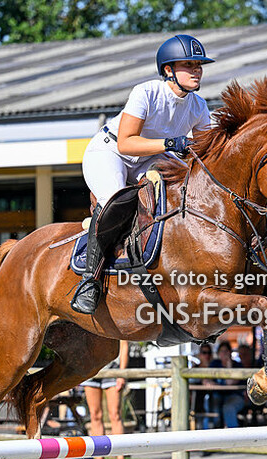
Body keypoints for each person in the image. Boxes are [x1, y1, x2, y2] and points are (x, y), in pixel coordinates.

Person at [71, 34, 215, 314]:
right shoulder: (146, 92)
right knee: (117, 200)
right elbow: (126, 142)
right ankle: (89, 282)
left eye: (199, 65)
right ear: (168, 70)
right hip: (110, 153)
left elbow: (204, 153)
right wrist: (171, 144)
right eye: (189, 64)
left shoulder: (199, 105)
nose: (197, 70)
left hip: (149, 159)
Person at [82, 340, 130, 459]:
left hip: (113, 370)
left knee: (115, 414)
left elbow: (124, 345)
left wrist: (122, 373)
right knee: (95, 415)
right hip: (91, 369)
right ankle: (99, 458)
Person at [210, 341, 246, 429]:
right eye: (222, 351)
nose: (224, 353)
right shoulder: (215, 364)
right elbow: (206, 380)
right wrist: (210, 383)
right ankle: (212, 432)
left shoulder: (237, 365)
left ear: (230, 352)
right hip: (218, 395)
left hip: (236, 396)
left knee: (228, 407)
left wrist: (229, 366)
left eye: (226, 351)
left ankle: (233, 435)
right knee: (211, 406)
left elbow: (230, 382)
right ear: (218, 353)